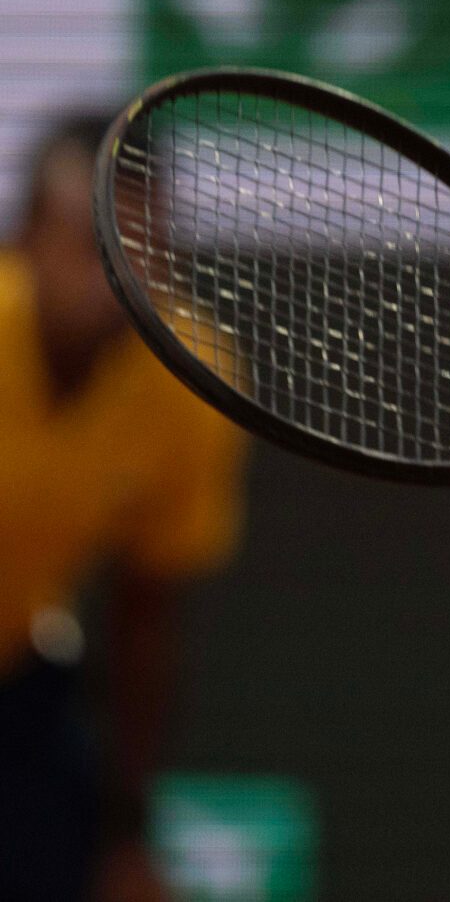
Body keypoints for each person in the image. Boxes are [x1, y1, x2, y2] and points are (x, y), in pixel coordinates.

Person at [0, 110, 248, 902]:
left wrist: (129, 832)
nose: (113, 279)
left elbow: (147, 609)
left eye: (138, 251)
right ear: (27, 239)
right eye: (87, 245)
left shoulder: (191, 380)